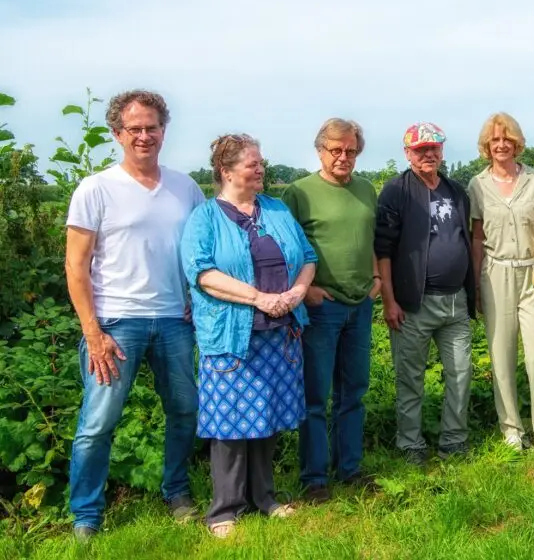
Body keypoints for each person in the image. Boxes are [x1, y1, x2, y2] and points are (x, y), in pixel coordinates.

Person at [65, 89, 205, 541]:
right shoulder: (96, 188)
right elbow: (76, 266)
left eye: (152, 127)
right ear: (117, 134)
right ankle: (86, 515)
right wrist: (94, 330)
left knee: (185, 410)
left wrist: (194, 298)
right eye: (135, 128)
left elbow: (199, 255)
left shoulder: (186, 188)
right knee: (97, 423)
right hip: (115, 323)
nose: (144, 136)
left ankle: (177, 491)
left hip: (173, 321)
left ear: (164, 131)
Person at [181, 134, 318, 538]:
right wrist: (258, 298)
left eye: (261, 163)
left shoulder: (275, 209)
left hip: (280, 332)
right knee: (228, 421)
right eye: (252, 164)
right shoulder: (205, 217)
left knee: (267, 415)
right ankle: (224, 508)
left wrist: (295, 293)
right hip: (230, 334)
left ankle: (266, 498)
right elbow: (203, 274)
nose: (261, 169)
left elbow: (307, 258)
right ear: (226, 171)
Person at [282, 119, 380, 502]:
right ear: (320, 150)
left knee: (353, 391)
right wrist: (306, 290)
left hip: (359, 306)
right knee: (315, 395)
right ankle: (314, 479)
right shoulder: (299, 192)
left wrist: (376, 277)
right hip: (323, 307)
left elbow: (369, 237)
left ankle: (350, 469)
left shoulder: (366, 189)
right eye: (335, 150)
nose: (343, 157)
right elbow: (285, 247)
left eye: (351, 151)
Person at [375, 122, 476, 465]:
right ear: (407, 153)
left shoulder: (456, 191)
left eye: (434, 148)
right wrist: (389, 300)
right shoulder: (396, 191)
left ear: (442, 151)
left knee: (461, 372)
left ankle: (454, 440)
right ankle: (410, 444)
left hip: (455, 301)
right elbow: (383, 250)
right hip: (412, 303)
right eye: (420, 150)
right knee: (410, 378)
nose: (428, 154)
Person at [469, 113, 534, 451]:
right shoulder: (477, 184)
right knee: (501, 355)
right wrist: (475, 283)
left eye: (507, 139)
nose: (501, 145)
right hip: (496, 272)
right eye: (495, 140)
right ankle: (511, 428)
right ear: (487, 146)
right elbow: (477, 237)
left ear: (517, 143)